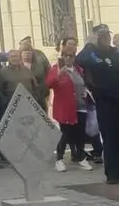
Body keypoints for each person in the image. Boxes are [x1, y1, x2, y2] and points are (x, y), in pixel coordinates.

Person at [76, 24, 119, 184]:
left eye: (107, 36)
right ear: (96, 37)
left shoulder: (117, 52)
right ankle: (112, 173)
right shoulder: (92, 53)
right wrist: (90, 44)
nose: (106, 38)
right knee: (110, 137)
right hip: (106, 102)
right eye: (102, 36)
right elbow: (80, 59)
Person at [47, 36, 92, 173]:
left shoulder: (79, 69)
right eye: (66, 56)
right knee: (65, 133)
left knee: (80, 133)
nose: (68, 58)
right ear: (62, 56)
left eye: (71, 56)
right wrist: (58, 75)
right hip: (65, 107)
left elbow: (83, 84)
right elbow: (49, 84)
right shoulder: (56, 69)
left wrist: (86, 93)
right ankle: (59, 159)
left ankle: (80, 156)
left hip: (81, 106)